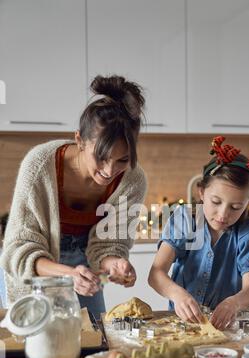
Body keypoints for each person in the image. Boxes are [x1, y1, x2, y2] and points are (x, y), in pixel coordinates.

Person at [0, 75, 147, 317]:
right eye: (101, 157)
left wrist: (115, 264)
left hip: (87, 269)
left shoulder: (132, 179)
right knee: (40, 343)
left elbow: (110, 243)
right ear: (79, 140)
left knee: (95, 338)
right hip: (39, 268)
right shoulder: (39, 165)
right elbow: (19, 249)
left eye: (122, 159)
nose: (110, 171)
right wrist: (69, 273)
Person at [148, 136, 249, 330]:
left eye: (236, 207)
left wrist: (234, 302)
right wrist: (177, 294)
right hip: (181, 323)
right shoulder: (185, 219)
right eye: (216, 202)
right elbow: (156, 274)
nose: (223, 214)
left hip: (227, 325)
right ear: (201, 192)